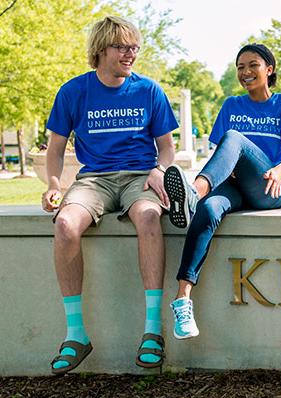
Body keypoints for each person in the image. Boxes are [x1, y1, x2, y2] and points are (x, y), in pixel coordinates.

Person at [41, 16, 177, 374]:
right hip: (95, 179)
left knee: (149, 216)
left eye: (134, 47)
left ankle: (152, 330)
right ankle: (76, 334)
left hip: (139, 175)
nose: (130, 54)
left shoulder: (149, 90)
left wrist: (160, 170)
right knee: (66, 223)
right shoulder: (74, 91)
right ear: (100, 50)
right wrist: (55, 184)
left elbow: (166, 148)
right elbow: (55, 149)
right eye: (122, 47)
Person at [163, 44, 281, 340]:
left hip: (270, 186)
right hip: (234, 185)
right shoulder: (232, 105)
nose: (245, 72)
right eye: (240, 67)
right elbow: (222, 152)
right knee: (208, 210)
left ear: (269, 69)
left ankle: (193, 193)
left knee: (235, 137)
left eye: (253, 65)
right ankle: (183, 300)